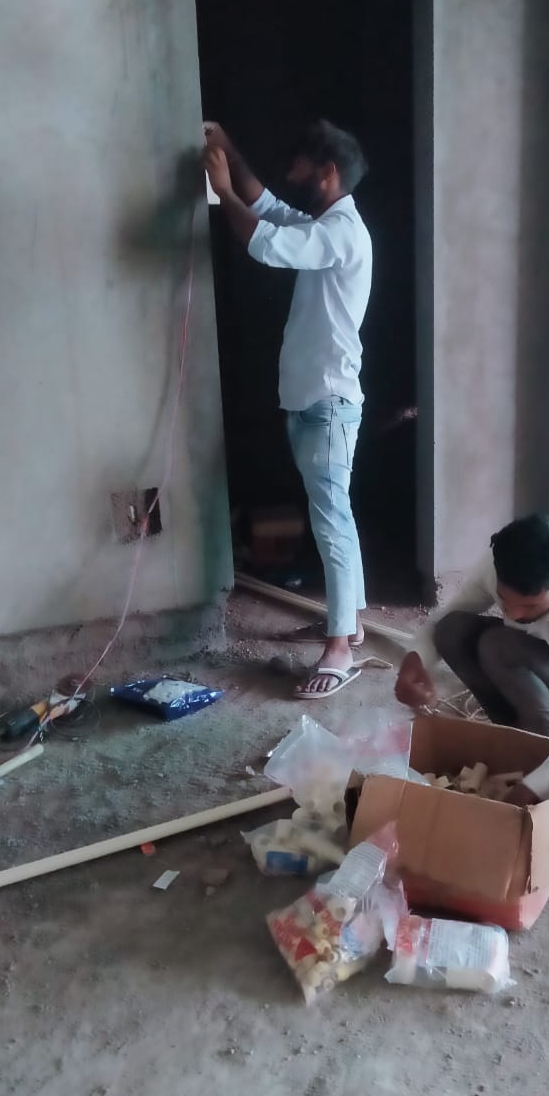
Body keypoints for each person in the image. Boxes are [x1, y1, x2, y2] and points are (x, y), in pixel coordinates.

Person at [203, 119, 372, 699]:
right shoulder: (327, 225)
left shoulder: (341, 233)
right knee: (333, 515)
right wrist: (229, 146)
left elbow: (265, 242)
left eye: (301, 165)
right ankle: (348, 624)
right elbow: (269, 209)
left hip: (328, 403)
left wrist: (222, 190)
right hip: (313, 401)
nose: (291, 174)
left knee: (332, 520)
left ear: (328, 174)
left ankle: (341, 647)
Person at [395, 513, 549, 805]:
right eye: (504, 599)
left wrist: (534, 788)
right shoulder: (497, 565)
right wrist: (415, 661)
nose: (514, 613)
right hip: (529, 664)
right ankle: (516, 733)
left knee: (499, 645)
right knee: (452, 630)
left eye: (530, 605)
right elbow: (447, 617)